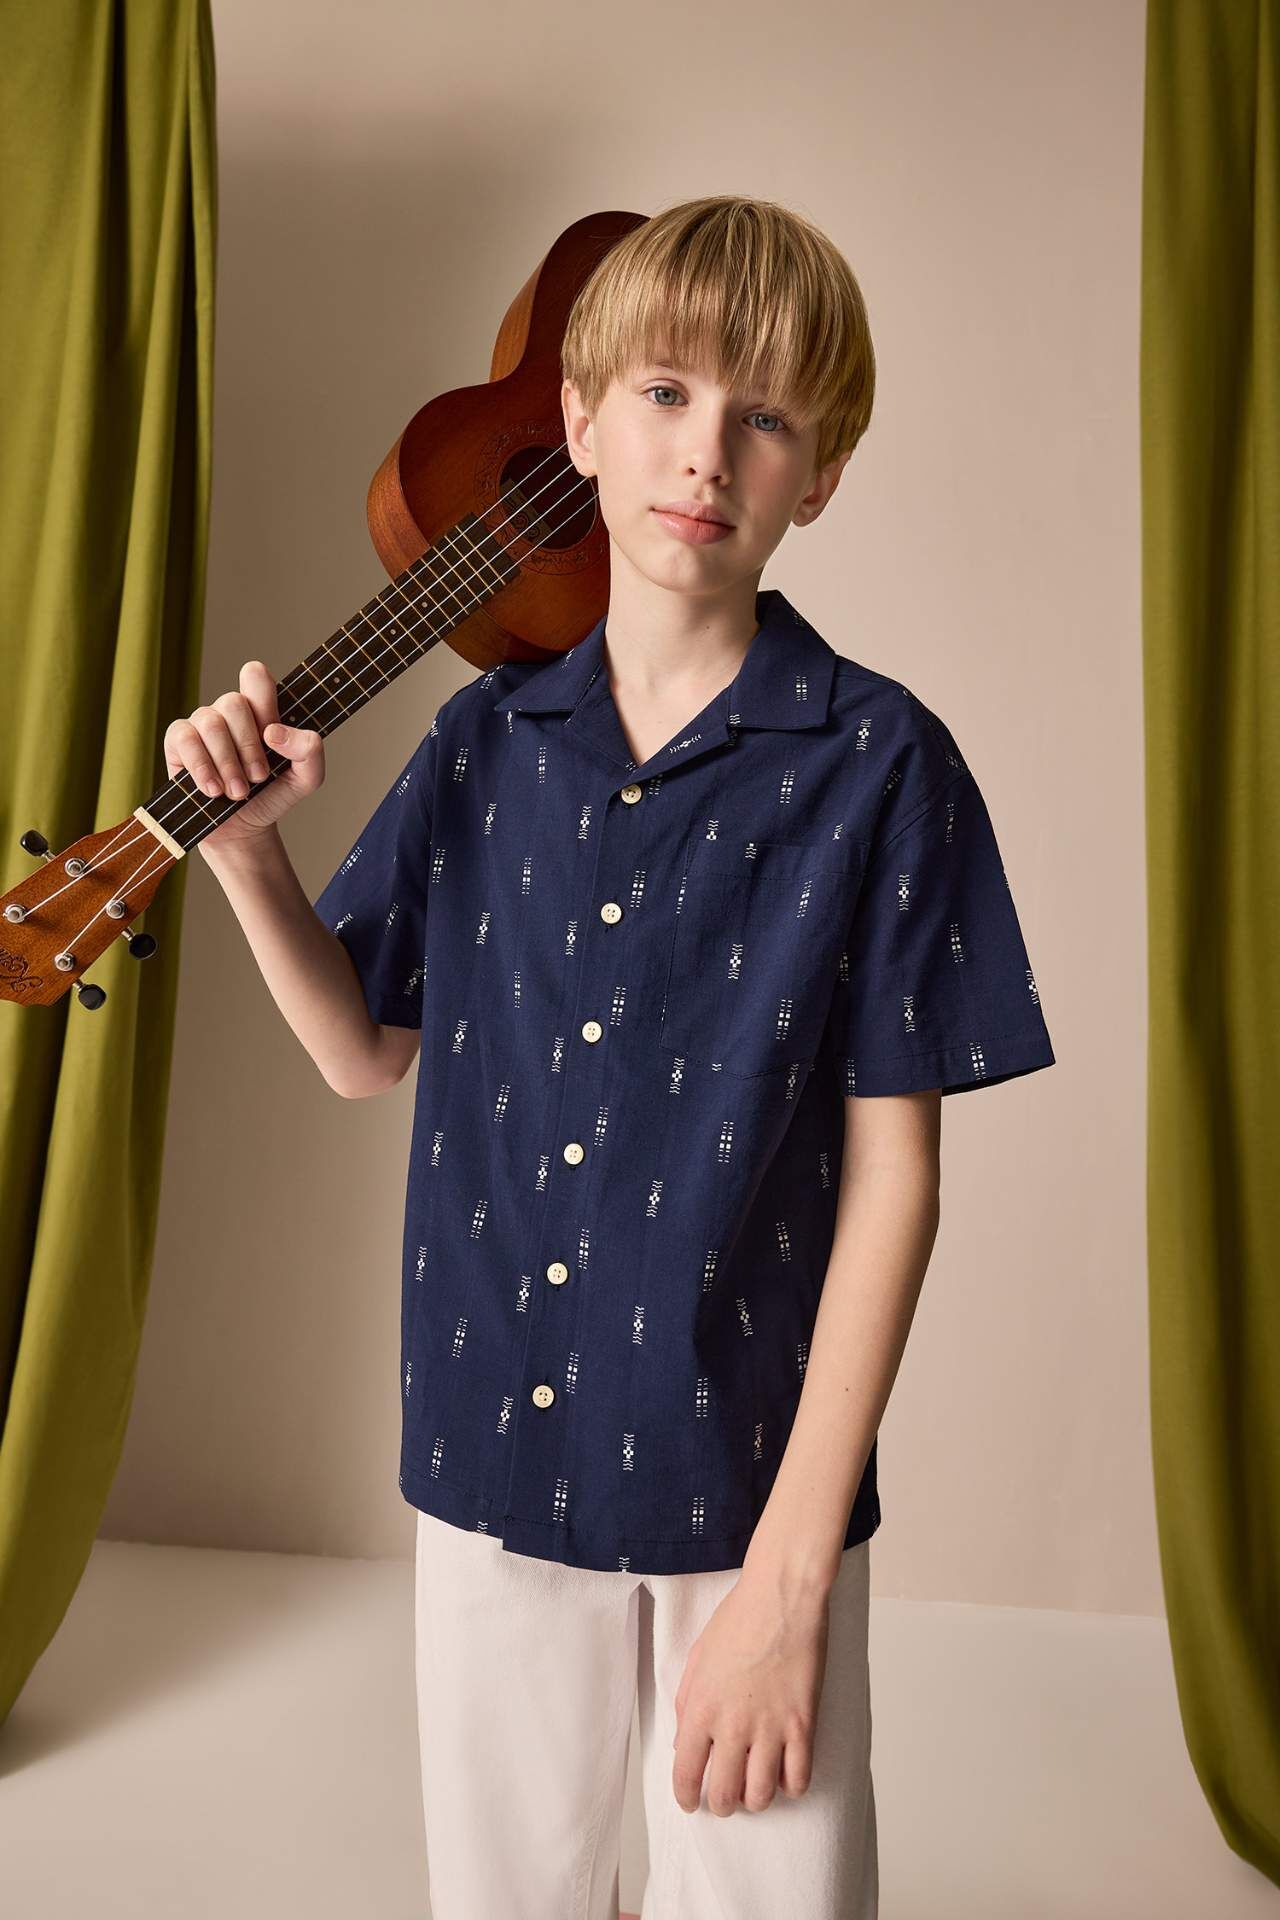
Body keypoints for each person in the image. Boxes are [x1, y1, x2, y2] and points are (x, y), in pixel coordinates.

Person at [178, 195, 1055, 1920]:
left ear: (823, 472)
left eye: (765, 416)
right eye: (662, 393)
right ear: (577, 423)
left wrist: (791, 1584)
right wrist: (248, 857)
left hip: (747, 1484)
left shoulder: (884, 766)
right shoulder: (480, 741)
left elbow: (897, 1184)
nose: (705, 452)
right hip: (490, 1459)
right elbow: (363, 1051)